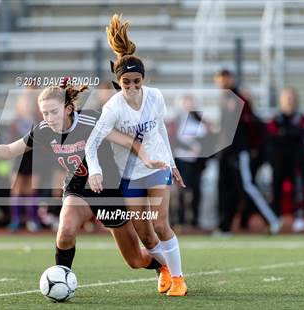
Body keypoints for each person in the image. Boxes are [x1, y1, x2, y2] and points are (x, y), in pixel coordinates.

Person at [0, 83, 167, 279]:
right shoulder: (43, 130)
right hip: (77, 187)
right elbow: (11, 149)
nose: (48, 118)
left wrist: (148, 160)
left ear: (68, 108)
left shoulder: (91, 121)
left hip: (107, 190)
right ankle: (61, 279)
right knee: (65, 231)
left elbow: (129, 141)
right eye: (44, 113)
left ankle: (164, 265)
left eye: (53, 112)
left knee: (134, 260)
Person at [85, 14, 188, 297]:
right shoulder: (113, 108)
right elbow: (91, 144)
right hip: (129, 173)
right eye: (126, 82)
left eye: (136, 81)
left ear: (143, 79)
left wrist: (173, 163)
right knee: (144, 232)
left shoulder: (155, 97)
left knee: (159, 223)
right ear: (119, 82)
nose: (131, 87)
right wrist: (94, 170)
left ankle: (178, 279)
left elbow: (162, 132)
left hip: (156, 166)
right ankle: (165, 269)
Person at [213, 69, 281, 235]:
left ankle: (271, 219)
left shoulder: (240, 98)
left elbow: (250, 125)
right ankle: (225, 227)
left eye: (225, 79)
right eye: (220, 80)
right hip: (226, 152)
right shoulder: (224, 99)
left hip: (238, 151)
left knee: (247, 187)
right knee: (226, 189)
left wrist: (251, 148)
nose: (223, 82)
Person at [267, 86, 304, 232]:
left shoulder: (301, 118)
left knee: (298, 189)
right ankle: (275, 220)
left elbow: (300, 133)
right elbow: (273, 137)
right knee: (276, 190)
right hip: (279, 161)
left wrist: (284, 134)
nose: (289, 101)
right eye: (286, 98)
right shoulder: (275, 119)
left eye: (291, 98)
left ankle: (298, 218)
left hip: (296, 160)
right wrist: (287, 134)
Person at [171, 95, 209, 228]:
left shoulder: (199, 119)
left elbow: (206, 137)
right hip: (182, 160)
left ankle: (195, 220)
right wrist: (189, 147)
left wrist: (200, 148)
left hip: (197, 162)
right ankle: (180, 220)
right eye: (186, 102)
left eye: (190, 102)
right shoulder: (178, 120)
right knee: (181, 191)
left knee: (197, 190)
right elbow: (174, 139)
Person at [7, 88, 41, 232]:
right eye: (23, 103)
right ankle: (16, 219)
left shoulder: (38, 120)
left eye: (29, 103)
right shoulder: (15, 122)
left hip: (34, 157)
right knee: (17, 186)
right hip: (18, 158)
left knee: (31, 187)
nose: (26, 105)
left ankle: (32, 219)